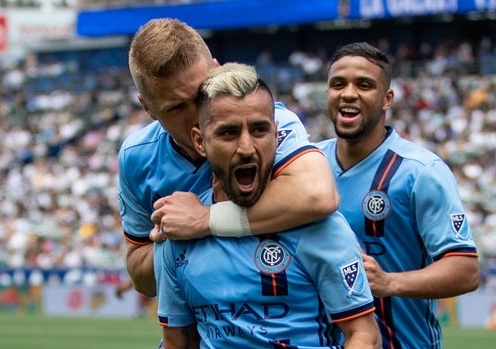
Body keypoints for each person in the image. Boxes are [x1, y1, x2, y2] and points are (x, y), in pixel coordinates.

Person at [155, 62, 381, 348]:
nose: (247, 147)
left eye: (259, 130)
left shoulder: (318, 226)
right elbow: (177, 342)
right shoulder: (176, 232)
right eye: (229, 133)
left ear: (276, 135)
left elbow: (364, 336)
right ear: (200, 141)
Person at [119, 18, 339, 297]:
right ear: (147, 107)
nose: (196, 115)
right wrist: (173, 238)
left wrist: (205, 219)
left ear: (216, 69)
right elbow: (141, 276)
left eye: (201, 94)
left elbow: (318, 195)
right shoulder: (136, 156)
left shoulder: (266, 123)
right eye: (175, 108)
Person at [316, 41, 480, 348]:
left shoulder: (421, 171)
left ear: (386, 98)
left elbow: (466, 270)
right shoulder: (307, 165)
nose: (348, 93)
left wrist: (389, 282)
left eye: (364, 85)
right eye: (338, 84)